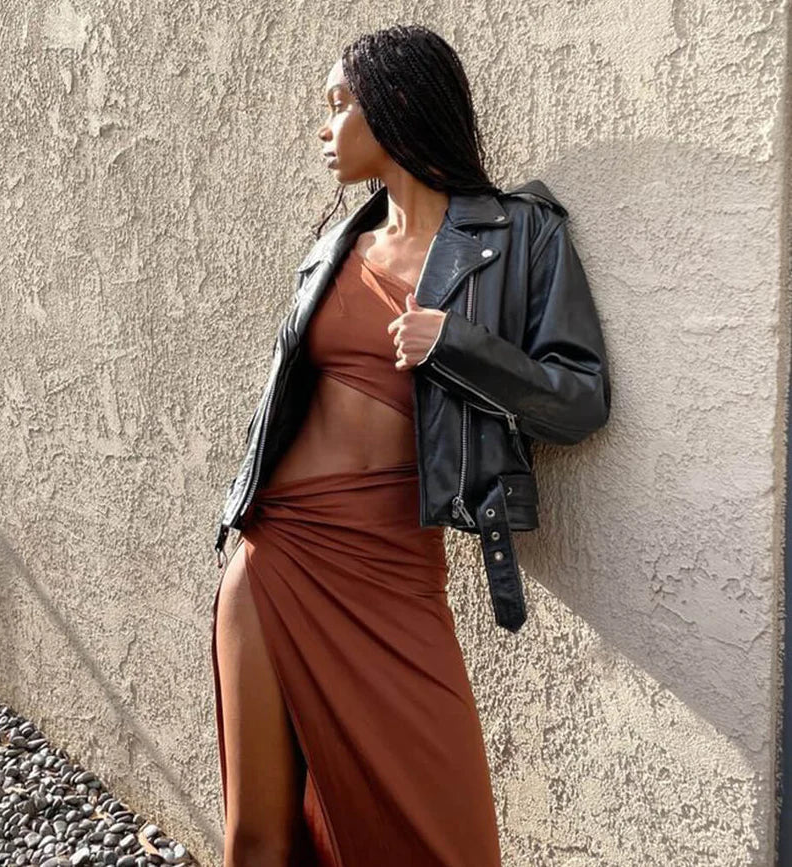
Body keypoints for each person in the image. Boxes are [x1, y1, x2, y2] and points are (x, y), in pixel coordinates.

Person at [210, 23, 610, 867]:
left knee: (449, 841)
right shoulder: (336, 246)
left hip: (396, 570)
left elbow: (576, 401)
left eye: (339, 104)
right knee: (258, 836)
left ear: (394, 105)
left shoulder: (521, 236)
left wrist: (457, 346)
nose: (325, 128)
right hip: (278, 550)